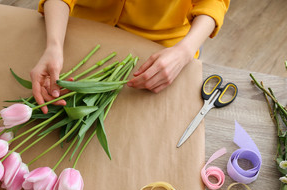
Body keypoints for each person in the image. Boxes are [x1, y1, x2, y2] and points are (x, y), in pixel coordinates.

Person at [31, 0, 230, 114]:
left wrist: (185, 51)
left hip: (162, 46)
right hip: (80, 26)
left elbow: (214, 2)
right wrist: (54, 45)